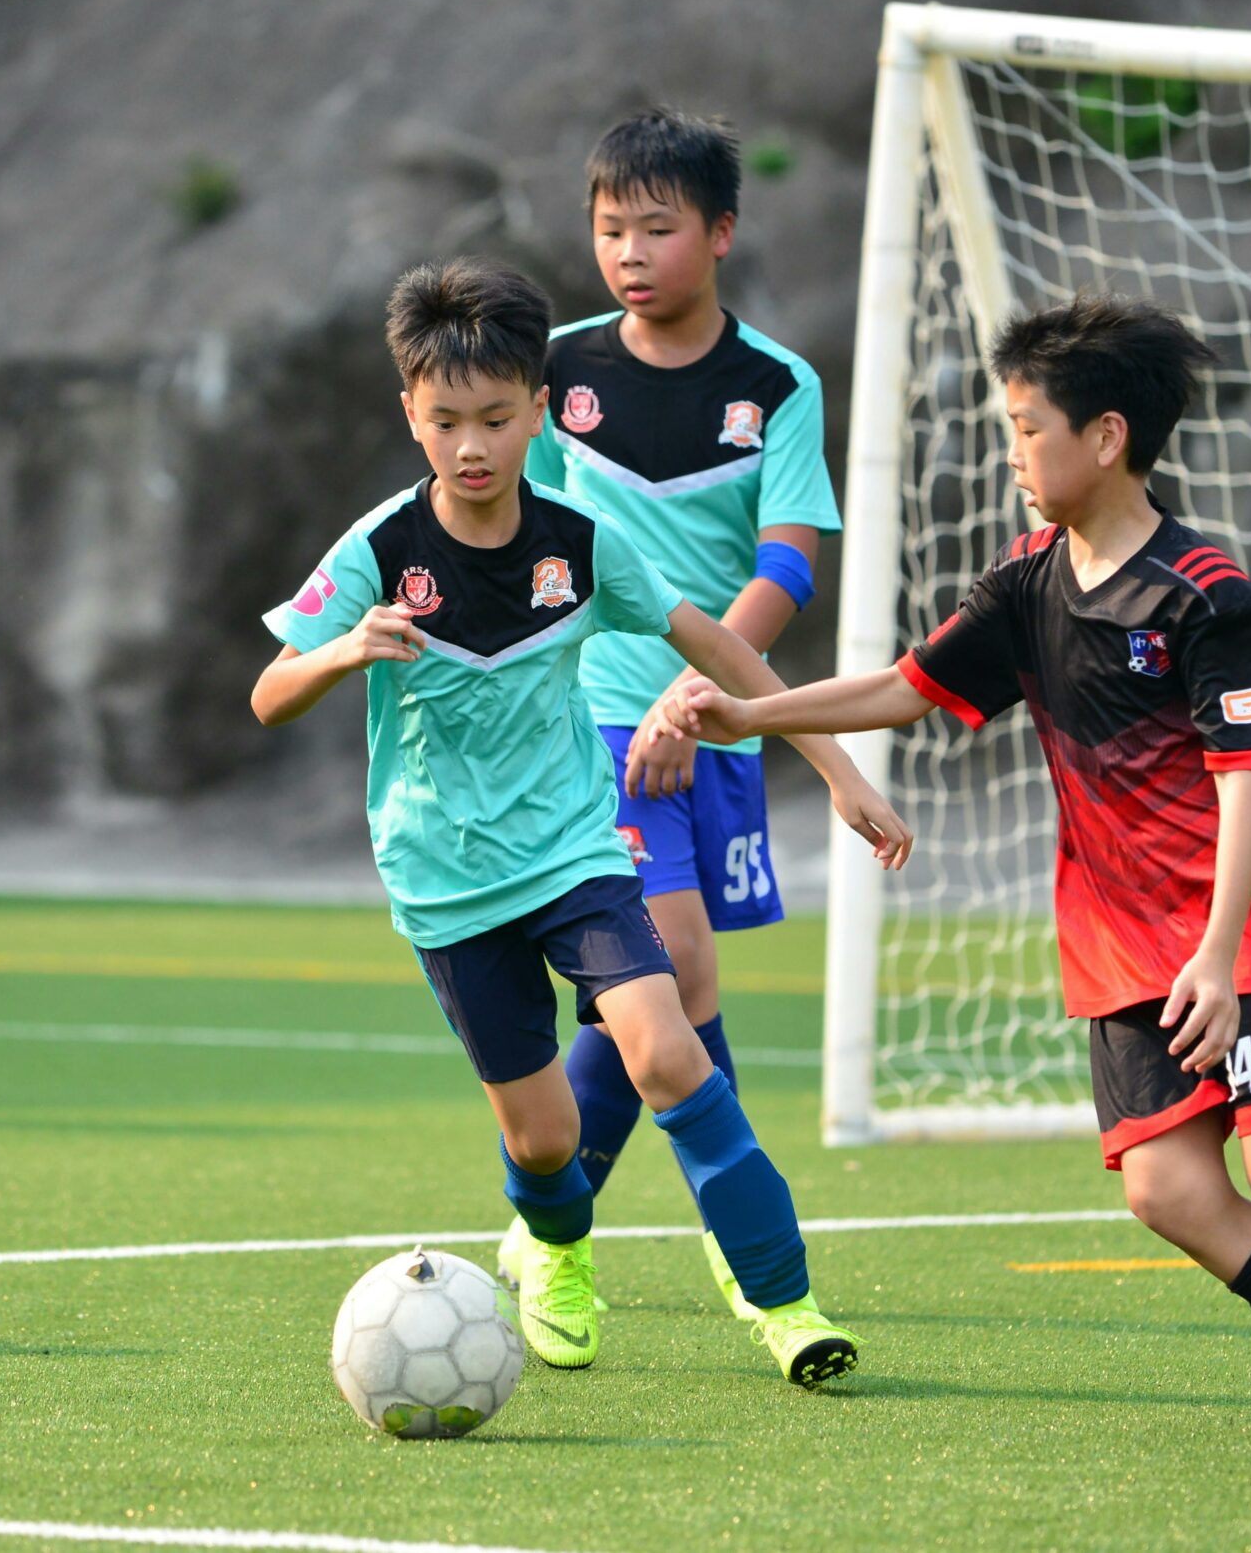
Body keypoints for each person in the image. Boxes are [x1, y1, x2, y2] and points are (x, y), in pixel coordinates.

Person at [664, 289, 1251, 1449]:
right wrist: (750, 717)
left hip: (1243, 920)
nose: (1011, 448)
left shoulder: (1208, 597)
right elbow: (906, 689)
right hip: (1117, 942)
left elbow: (1247, 780)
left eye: (1026, 425)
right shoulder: (1024, 584)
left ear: (1105, 436)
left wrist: (1217, 960)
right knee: (1167, 1191)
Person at [252, 257, 910, 1385]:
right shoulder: (377, 550)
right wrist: (343, 650)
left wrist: (831, 766)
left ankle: (787, 1306)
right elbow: (268, 692)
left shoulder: (582, 544)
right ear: (408, 413)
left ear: (537, 413)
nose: (472, 446)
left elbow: (720, 646)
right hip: (447, 884)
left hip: (575, 856)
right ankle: (555, 1250)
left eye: (497, 419)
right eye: (446, 420)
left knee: (670, 1054)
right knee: (546, 1140)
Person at [515, 107, 844, 1321]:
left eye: (657, 228)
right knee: (676, 963)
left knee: (651, 996)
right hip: (589, 716)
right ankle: (730, 1230)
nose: (629, 252)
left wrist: (703, 685)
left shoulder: (778, 384)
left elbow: (790, 564)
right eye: (609, 231)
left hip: (720, 717)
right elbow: (522, 541)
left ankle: (546, 1222)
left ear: (719, 233)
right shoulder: (553, 371)